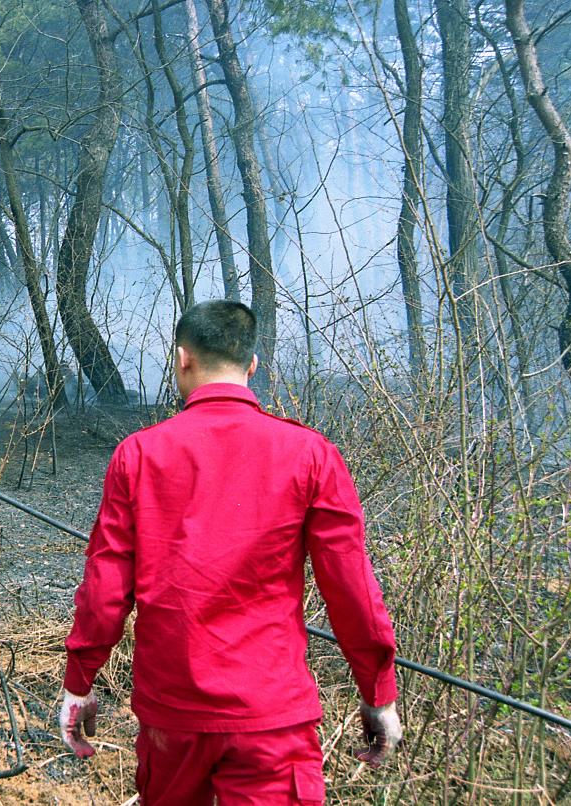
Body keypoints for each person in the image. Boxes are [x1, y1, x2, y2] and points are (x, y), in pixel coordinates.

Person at [58, 300, 401, 804]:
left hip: (172, 718)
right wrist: (377, 691)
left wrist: (80, 680)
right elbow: (352, 588)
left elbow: (106, 586)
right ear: (252, 365)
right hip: (272, 717)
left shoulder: (139, 455)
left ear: (182, 358)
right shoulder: (311, 455)